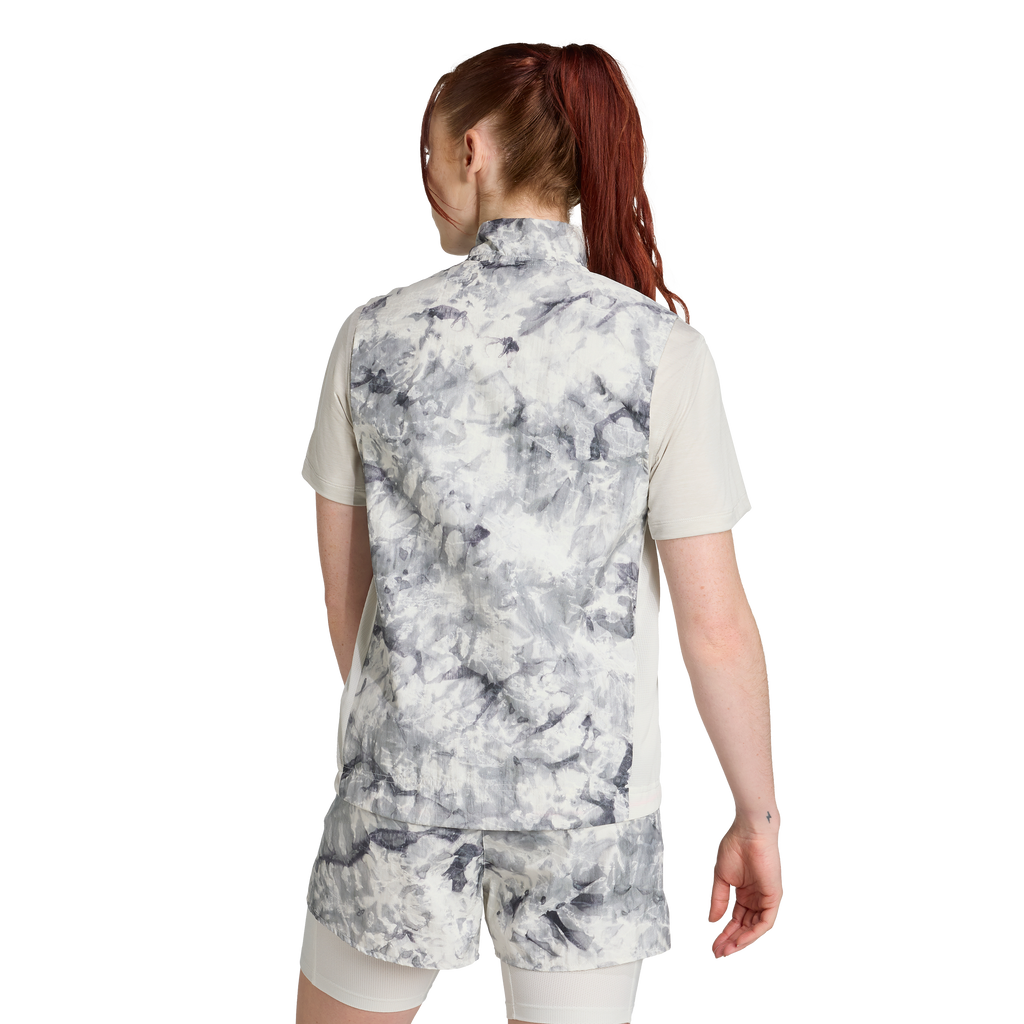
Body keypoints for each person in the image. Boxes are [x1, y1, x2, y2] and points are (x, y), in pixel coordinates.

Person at [294, 37, 784, 1024]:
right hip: (586, 811)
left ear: (471, 150)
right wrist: (756, 815)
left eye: (426, 154)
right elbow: (715, 623)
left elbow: (347, 596)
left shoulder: (370, 335)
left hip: (399, 789)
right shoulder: (662, 350)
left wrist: (408, 734)